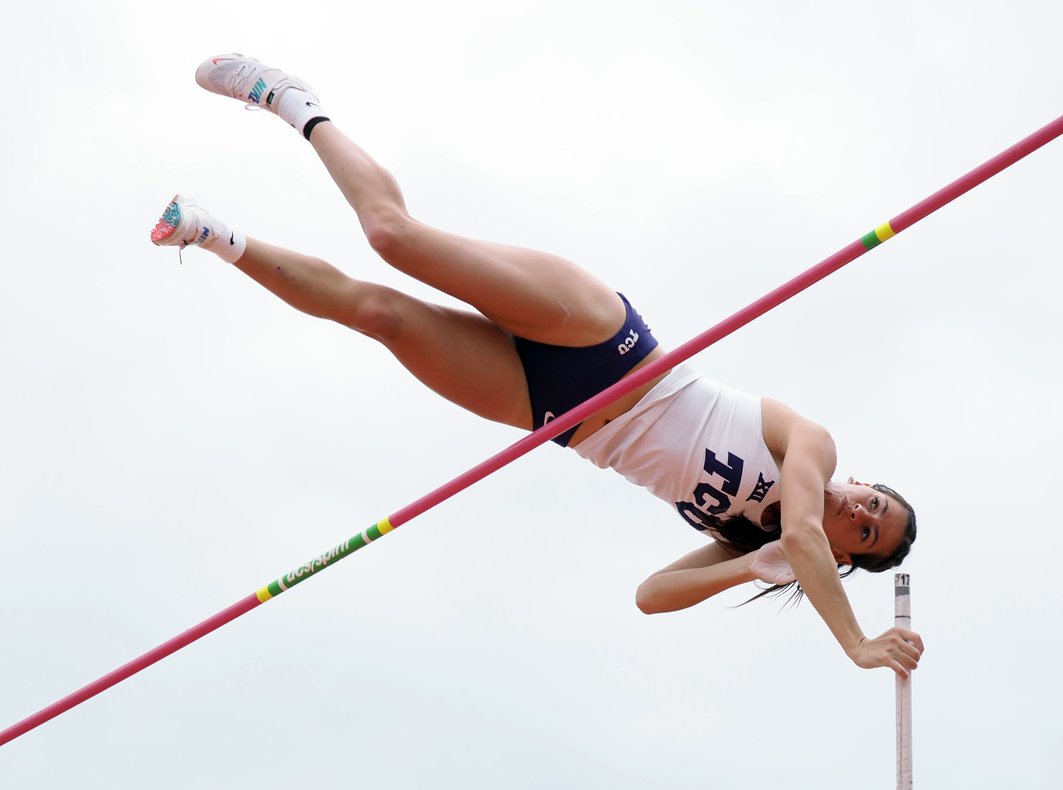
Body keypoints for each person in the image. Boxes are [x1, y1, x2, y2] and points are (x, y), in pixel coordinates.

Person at [152, 54, 924, 677]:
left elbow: (652, 597)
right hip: (607, 343)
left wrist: (755, 565)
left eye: (867, 535)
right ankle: (292, 102)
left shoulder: (751, 537)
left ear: (852, 554)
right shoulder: (812, 450)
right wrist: (853, 641)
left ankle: (213, 236)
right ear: (863, 483)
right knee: (393, 237)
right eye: (872, 505)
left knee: (378, 315)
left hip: (558, 415)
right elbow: (803, 524)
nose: (858, 515)